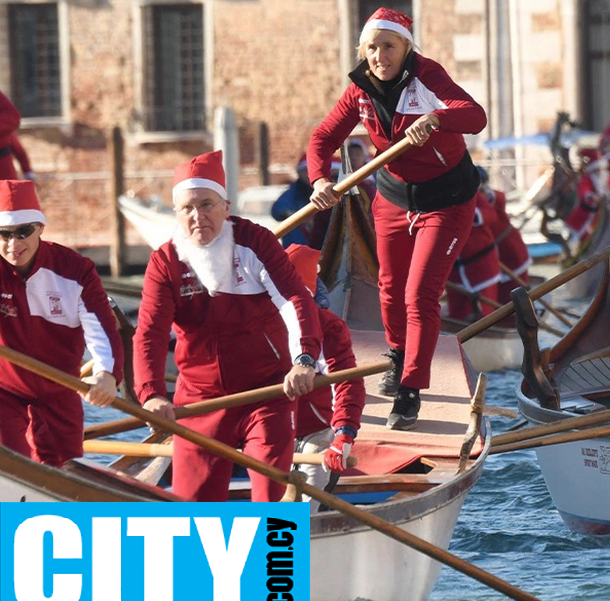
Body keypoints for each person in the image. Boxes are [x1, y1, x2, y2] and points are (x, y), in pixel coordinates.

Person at [308, 8, 486, 430]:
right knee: (388, 288)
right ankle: (398, 351)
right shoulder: (360, 90)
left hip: (447, 200)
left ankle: (409, 391)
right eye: (372, 47)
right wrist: (318, 180)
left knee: (419, 295)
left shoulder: (428, 76)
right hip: (391, 199)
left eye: (388, 46)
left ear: (406, 47)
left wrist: (436, 117)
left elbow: (474, 116)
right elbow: (323, 138)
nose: (379, 55)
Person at [135, 152, 322, 502]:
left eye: (206, 205)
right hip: (199, 400)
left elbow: (294, 301)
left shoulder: (256, 242)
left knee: (271, 495)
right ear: (176, 214)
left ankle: (278, 552)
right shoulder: (165, 261)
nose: (197, 216)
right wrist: (152, 394)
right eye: (187, 209)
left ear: (226, 205)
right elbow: (150, 333)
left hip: (267, 392)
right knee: (194, 508)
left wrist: (305, 359)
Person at [0, 180, 123, 467]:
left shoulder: (76, 270)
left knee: (65, 468)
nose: (13, 244)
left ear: (41, 228)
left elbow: (102, 329)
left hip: (60, 387)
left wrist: (106, 374)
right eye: (3, 234)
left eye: (23, 232)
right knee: (13, 463)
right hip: (4, 388)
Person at [284, 244, 364, 499]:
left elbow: (347, 383)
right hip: (264, 432)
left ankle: (296, 531)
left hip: (315, 434)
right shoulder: (254, 321)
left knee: (305, 500)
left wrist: (343, 436)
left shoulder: (328, 327)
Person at [477, 166, 530, 304]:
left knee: (515, 293)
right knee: (498, 295)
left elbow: (497, 198)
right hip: (492, 255)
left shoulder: (492, 196)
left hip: (511, 251)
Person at [445, 192, 502, 321]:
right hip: (454, 273)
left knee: (486, 317)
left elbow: (491, 215)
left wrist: (465, 214)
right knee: (456, 315)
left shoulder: (470, 191)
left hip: (482, 268)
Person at [566, 148, 610, 247]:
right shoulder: (587, 180)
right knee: (585, 235)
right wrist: (591, 197)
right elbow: (584, 191)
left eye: (602, 170)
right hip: (591, 216)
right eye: (597, 171)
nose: (600, 173)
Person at [272, 156, 339, 248]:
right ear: (299, 172)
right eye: (305, 170)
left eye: (310, 170)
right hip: (296, 247)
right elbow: (277, 210)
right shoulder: (293, 192)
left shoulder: (328, 191)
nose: (308, 174)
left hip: (322, 247)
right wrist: (292, 215)